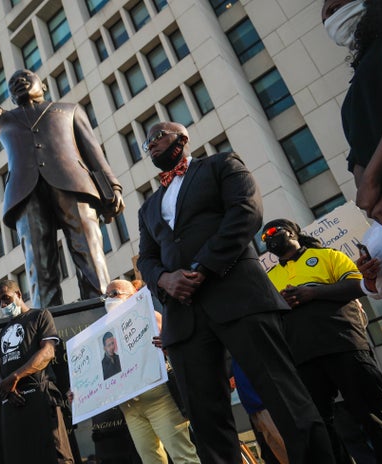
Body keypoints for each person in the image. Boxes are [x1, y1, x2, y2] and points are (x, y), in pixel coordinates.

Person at [136, 121, 335, 464]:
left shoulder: (222, 165)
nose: (151, 145)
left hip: (238, 296)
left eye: (158, 137)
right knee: (206, 421)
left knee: (285, 397)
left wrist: (201, 268)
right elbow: (148, 258)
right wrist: (165, 280)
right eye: (146, 144)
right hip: (183, 316)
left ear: (181, 139)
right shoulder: (147, 207)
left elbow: (247, 212)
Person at [0, 21, 125, 309]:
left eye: (26, 76)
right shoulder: (4, 119)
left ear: (42, 85)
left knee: (90, 252)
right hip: (25, 193)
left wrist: (113, 185)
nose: (19, 80)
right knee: (39, 264)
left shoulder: (68, 110)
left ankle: (102, 310)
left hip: (74, 184)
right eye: (13, 82)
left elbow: (93, 151)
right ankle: (47, 327)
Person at [262, 218, 382, 463]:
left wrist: (313, 292)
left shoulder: (327, 256)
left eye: (272, 231)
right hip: (302, 358)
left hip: (343, 344)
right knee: (320, 428)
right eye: (264, 238)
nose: (268, 238)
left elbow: (359, 285)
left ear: (292, 232)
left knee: (372, 414)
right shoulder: (268, 277)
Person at [103, 279, 200, 464]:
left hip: (159, 398)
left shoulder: (150, 315)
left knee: (182, 455)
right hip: (130, 406)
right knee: (151, 459)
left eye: (114, 294)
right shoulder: (105, 332)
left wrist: (168, 345)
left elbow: (179, 348)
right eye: (106, 296)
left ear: (133, 295)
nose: (109, 299)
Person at [321, 0, 382, 218]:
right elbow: (357, 158)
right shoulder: (352, 99)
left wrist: (371, 178)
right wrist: (374, 200)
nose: (333, 22)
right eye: (326, 22)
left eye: (334, 10)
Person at [0, 279, 74, 464]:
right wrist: (5, 387)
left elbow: (47, 352)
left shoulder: (40, 315)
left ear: (19, 295)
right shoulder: (4, 330)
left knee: (57, 455)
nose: (3, 305)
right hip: (12, 400)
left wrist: (14, 377)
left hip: (40, 393)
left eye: (6, 298)